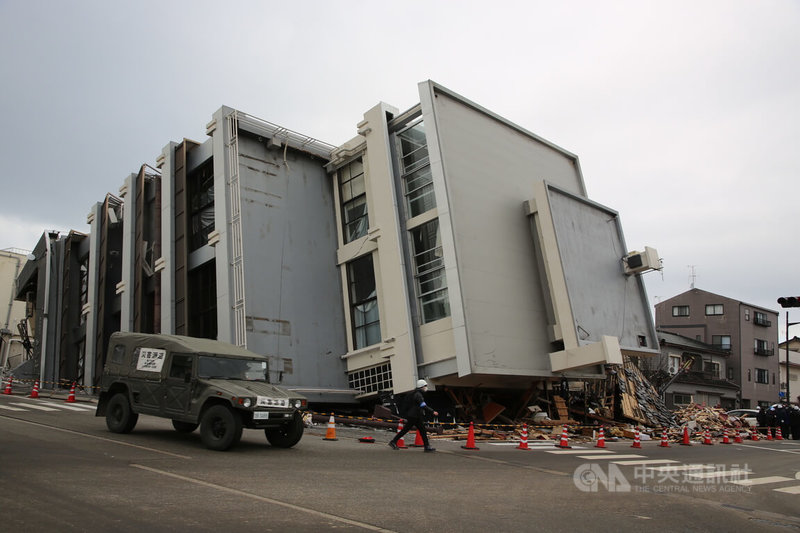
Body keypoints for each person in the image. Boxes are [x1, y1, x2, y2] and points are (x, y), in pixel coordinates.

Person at [388, 379, 438, 452]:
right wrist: (432, 411)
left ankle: (427, 446)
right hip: (415, 416)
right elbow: (423, 405)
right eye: (425, 386)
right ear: (421, 386)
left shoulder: (416, 393)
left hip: (414, 415)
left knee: (420, 430)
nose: (426, 387)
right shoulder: (418, 395)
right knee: (412, 430)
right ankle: (393, 441)